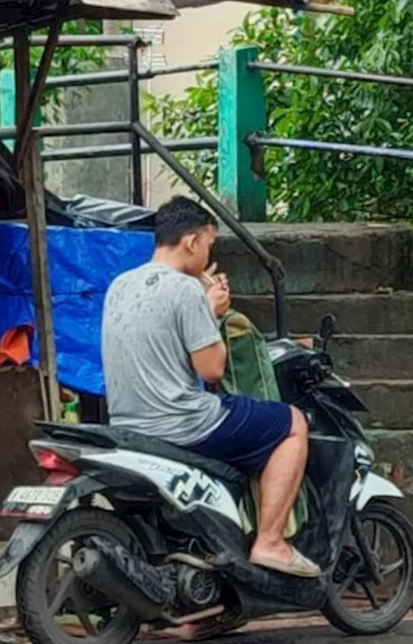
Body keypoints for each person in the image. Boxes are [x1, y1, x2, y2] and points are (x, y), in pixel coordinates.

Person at [101, 196, 320, 578]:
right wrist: (210, 311)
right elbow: (213, 369)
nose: (207, 254)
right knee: (292, 421)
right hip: (182, 422)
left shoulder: (120, 285)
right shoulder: (185, 290)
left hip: (128, 425)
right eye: (208, 244)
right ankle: (270, 541)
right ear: (190, 241)